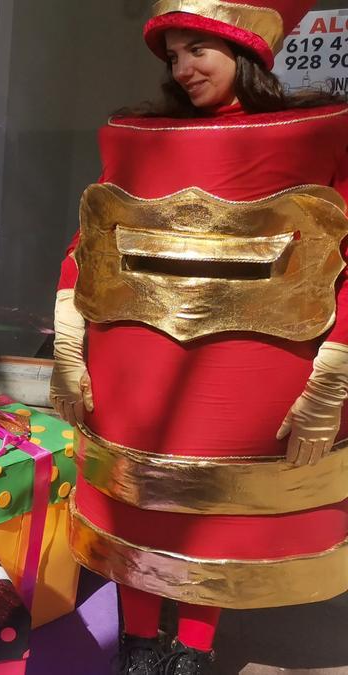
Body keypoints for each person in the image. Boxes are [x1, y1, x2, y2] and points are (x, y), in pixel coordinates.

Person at [50, 2, 348, 674]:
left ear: (243, 51)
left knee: (213, 512)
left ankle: (192, 648)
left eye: (197, 51)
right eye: (173, 55)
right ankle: (138, 643)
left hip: (246, 382)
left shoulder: (320, 136)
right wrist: (69, 347)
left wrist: (330, 382)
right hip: (137, 373)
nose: (182, 69)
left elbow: (344, 260)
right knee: (136, 507)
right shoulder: (140, 137)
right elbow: (88, 243)